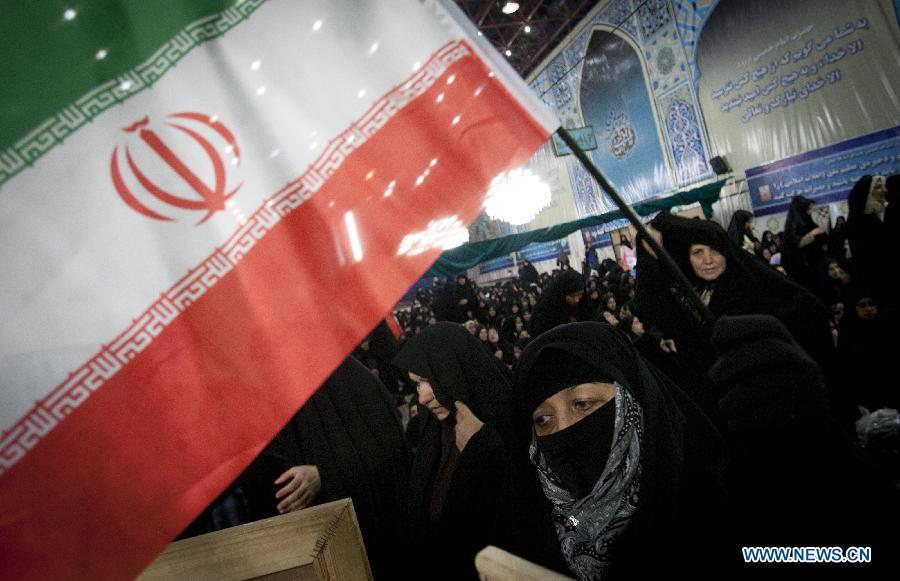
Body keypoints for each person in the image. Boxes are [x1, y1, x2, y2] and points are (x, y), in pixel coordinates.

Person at [501, 319, 895, 579]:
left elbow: (849, 555)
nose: (566, 430)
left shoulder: (721, 506)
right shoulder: (543, 535)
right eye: (544, 420)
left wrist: (821, 451)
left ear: (636, 405)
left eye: (584, 404)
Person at [237, 356, 411, 580]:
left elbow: (388, 445)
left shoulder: (342, 373)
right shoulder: (255, 396)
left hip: (370, 539)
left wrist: (324, 474)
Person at [392, 322, 512, 580]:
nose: (422, 397)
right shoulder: (435, 426)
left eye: (428, 380)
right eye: (416, 384)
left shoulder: (506, 426)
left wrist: (483, 451)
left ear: (454, 371)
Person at [846, 175, 894, 308]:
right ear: (867, 193)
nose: (884, 190)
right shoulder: (859, 221)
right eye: (878, 187)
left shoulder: (876, 214)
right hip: (876, 282)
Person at [781, 195, 828, 291]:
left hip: (816, 265)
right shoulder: (793, 225)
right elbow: (794, 245)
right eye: (808, 209)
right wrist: (813, 233)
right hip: (803, 269)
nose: (810, 212)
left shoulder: (808, 221)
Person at [529, 269, 590, 337]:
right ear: (562, 294)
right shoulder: (544, 311)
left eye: (580, 295)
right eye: (572, 296)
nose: (577, 300)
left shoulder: (583, 301)